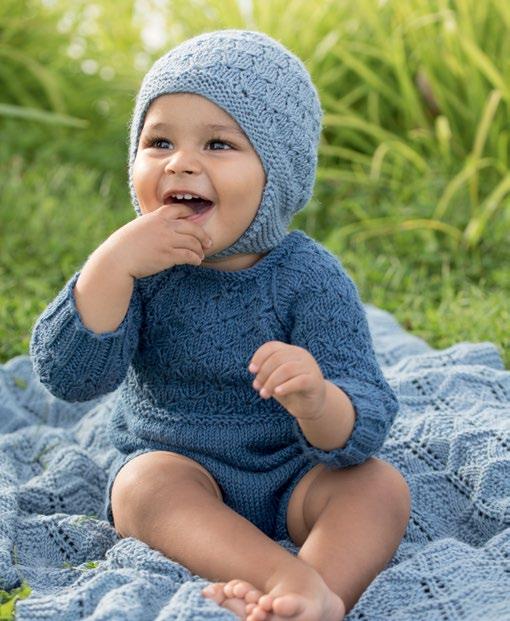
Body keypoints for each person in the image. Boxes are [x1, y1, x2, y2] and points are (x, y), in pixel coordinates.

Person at [30, 29, 411, 621]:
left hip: (294, 471)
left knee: (380, 487)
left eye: (218, 144)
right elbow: (70, 377)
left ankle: (318, 595)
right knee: (139, 488)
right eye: (159, 142)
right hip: (181, 467)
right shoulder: (141, 264)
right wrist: (109, 266)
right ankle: (288, 578)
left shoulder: (308, 276)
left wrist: (317, 399)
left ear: (276, 173)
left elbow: (362, 423)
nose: (181, 162)